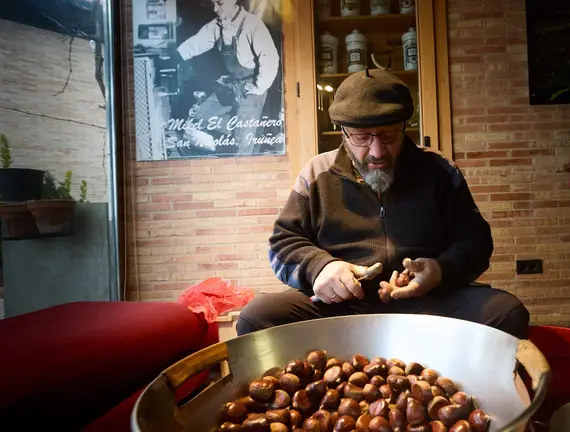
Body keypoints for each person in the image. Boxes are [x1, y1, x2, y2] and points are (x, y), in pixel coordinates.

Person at [236, 69, 530, 339]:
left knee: (506, 313)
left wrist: (440, 271)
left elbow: (476, 241)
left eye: (389, 135)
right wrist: (320, 268)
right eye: (362, 137)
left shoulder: (439, 170)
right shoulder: (317, 174)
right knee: (257, 318)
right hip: (341, 307)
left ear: (404, 126)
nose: (377, 152)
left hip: (428, 302)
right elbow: (281, 245)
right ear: (343, 132)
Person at [174, 0, 279, 155]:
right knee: (199, 117)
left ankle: (245, 143)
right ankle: (238, 132)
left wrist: (259, 87)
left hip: (252, 85)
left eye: (220, 4)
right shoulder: (218, 25)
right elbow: (197, 42)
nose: (215, 9)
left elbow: (270, 58)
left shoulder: (252, 25)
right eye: (213, 4)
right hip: (233, 83)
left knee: (242, 142)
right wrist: (175, 57)